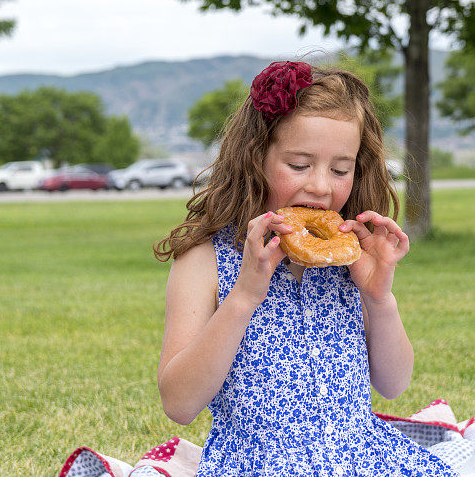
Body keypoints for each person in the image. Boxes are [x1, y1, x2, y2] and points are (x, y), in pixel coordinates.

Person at [153, 60, 458, 476]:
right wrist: (244, 297)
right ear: (254, 157)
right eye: (299, 165)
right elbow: (179, 404)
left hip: (362, 462)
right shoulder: (206, 260)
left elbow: (393, 384)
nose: (320, 186)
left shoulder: (348, 259)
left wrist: (379, 297)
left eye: (340, 169)